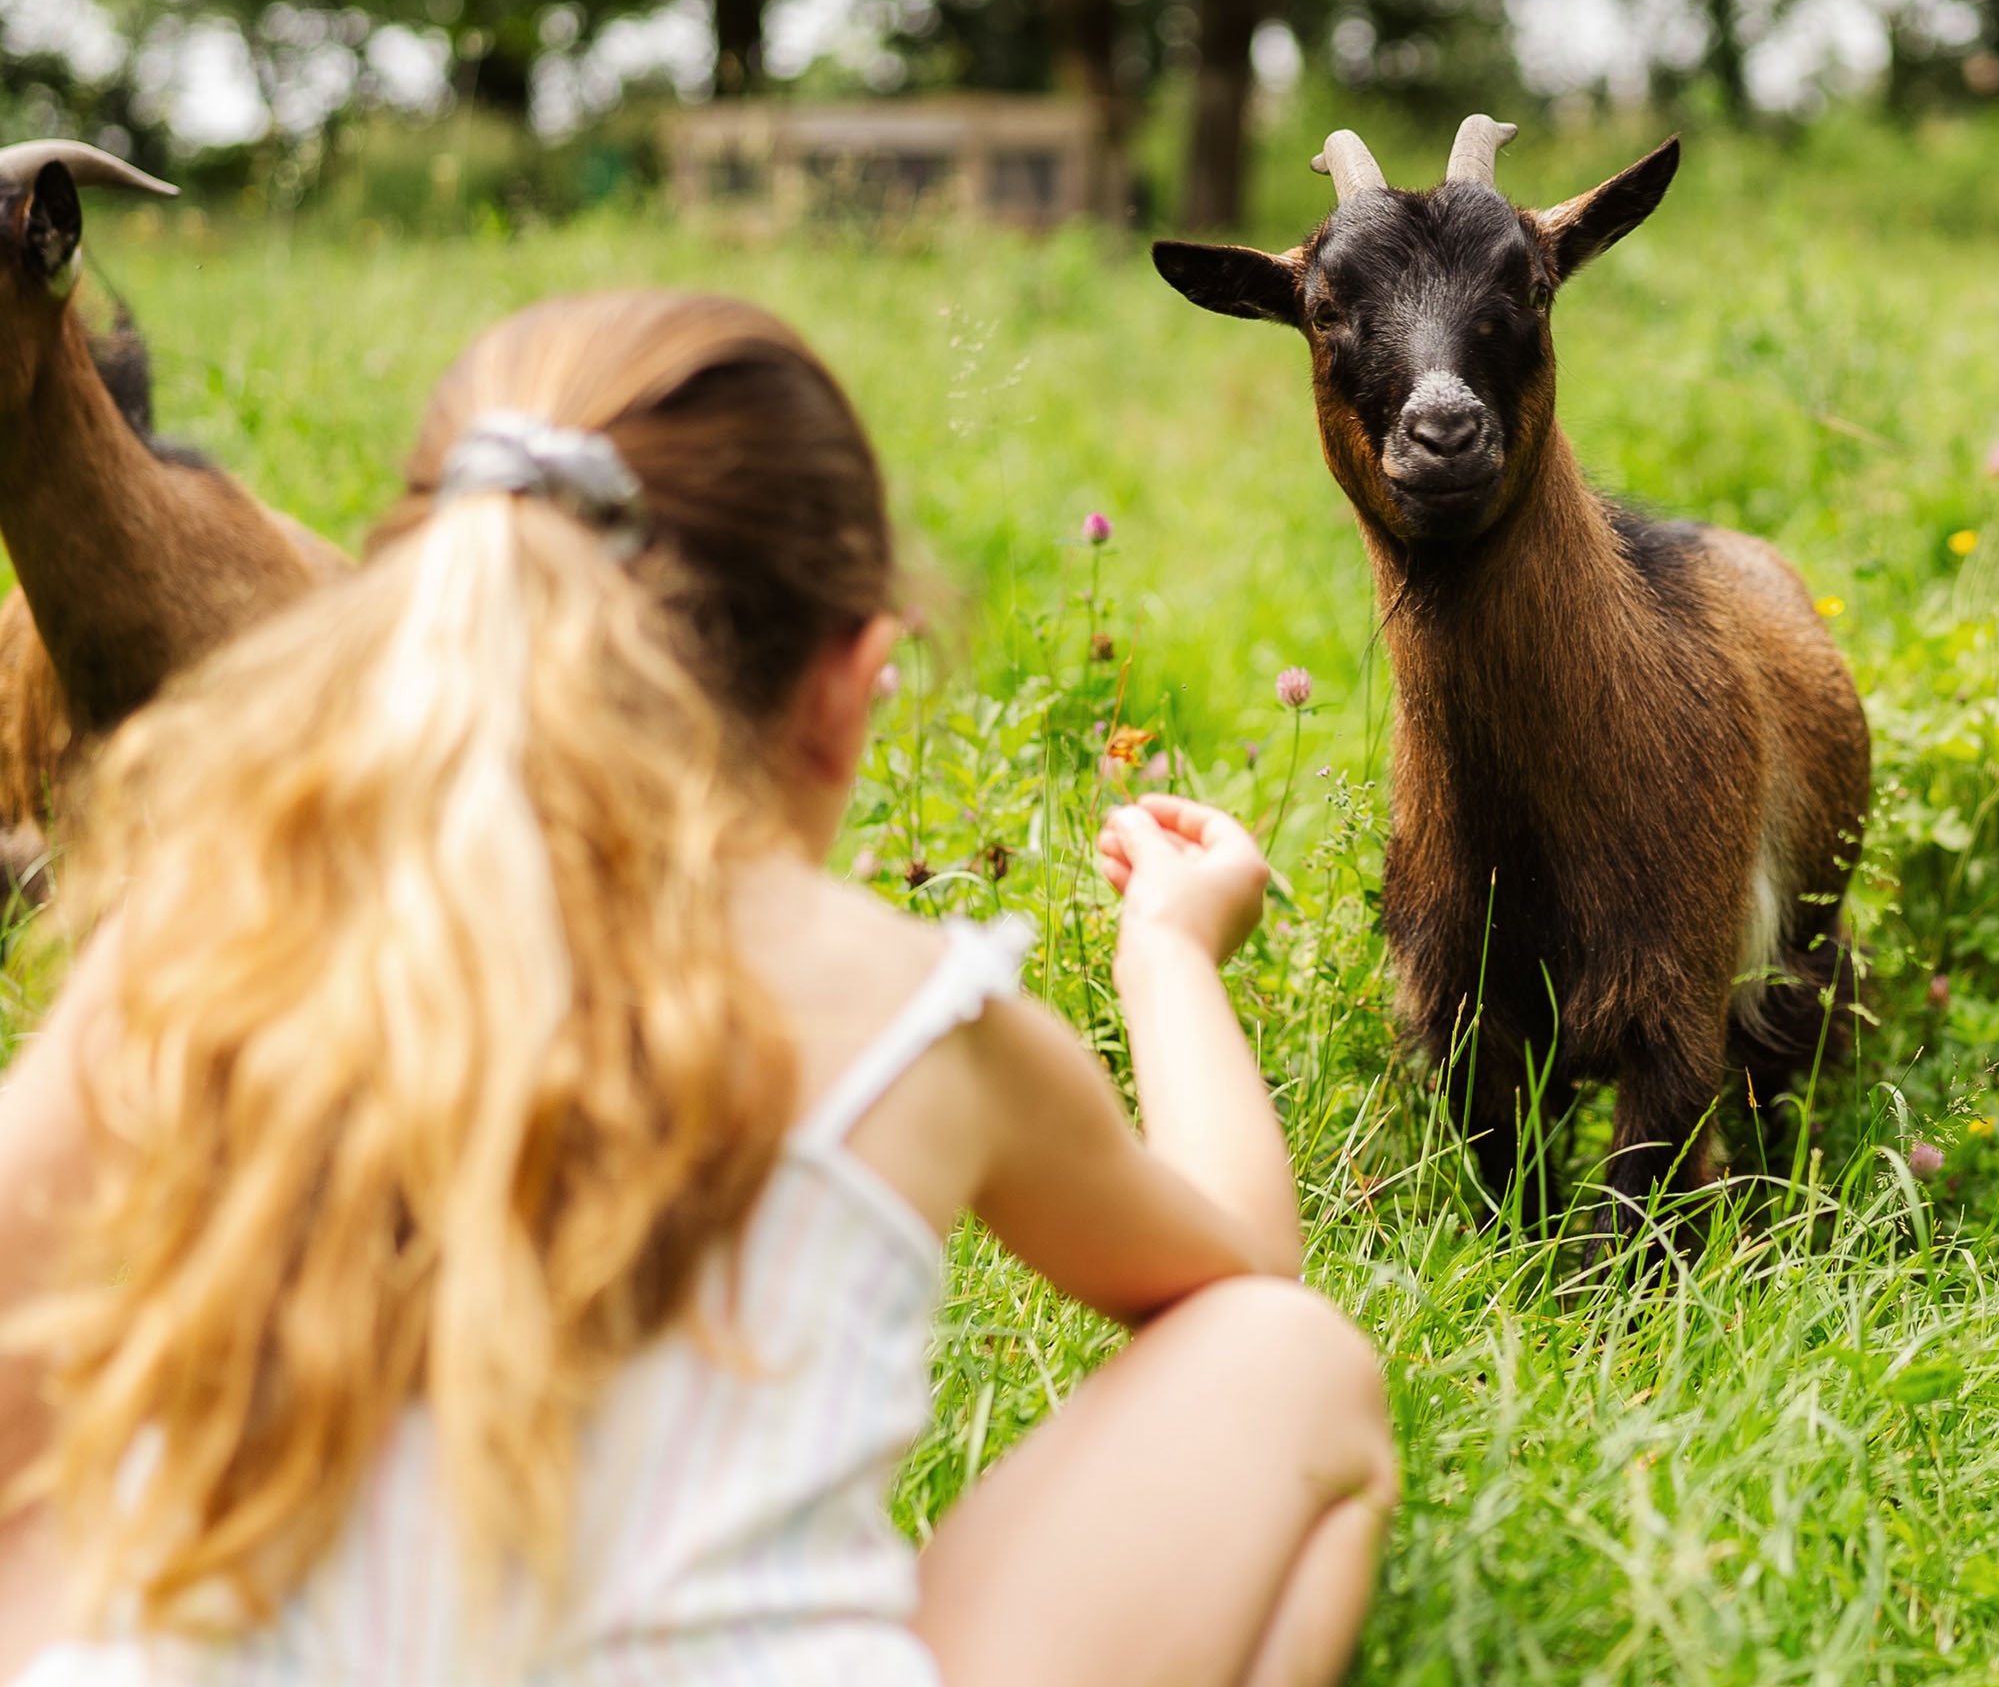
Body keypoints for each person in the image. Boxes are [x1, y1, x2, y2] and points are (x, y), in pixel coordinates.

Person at [0, 290, 1394, 1687]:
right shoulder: (907, 1012)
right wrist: (1164, 947)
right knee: (1288, 1359)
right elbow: (1232, 1263)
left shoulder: (205, 924)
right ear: (853, 685)